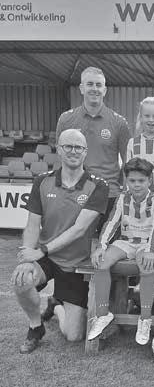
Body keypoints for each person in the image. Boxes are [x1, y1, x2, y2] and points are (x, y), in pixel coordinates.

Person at [11, 129, 109, 353]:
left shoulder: (98, 185)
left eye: (79, 147)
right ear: (59, 150)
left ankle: (55, 306)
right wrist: (27, 258)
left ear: (85, 152)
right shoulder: (42, 181)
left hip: (76, 262)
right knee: (21, 278)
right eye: (68, 146)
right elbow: (32, 225)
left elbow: (79, 229)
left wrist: (42, 250)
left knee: (74, 336)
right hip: (46, 257)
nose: (74, 151)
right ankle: (35, 327)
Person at [88, 158, 154, 345]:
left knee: (146, 265)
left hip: (149, 243)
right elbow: (111, 223)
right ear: (126, 181)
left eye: (141, 181)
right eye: (132, 180)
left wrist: (151, 250)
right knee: (101, 263)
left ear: (149, 181)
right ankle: (102, 314)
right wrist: (101, 246)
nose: (136, 185)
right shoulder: (123, 198)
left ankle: (145, 318)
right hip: (127, 242)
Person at [56, 66, 130, 233]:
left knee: (110, 246)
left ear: (105, 90)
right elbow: (60, 158)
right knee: (75, 245)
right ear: (81, 88)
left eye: (98, 85)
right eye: (90, 84)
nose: (94, 89)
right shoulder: (66, 119)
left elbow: (128, 162)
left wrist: (125, 195)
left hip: (109, 195)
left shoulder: (119, 123)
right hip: (74, 194)